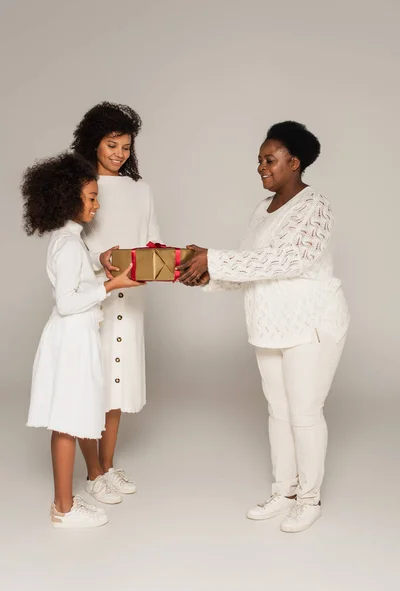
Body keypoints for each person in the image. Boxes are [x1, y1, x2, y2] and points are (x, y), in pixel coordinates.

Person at [179, 121, 350, 533]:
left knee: (305, 413)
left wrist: (214, 259)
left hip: (310, 322)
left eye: (269, 159)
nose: (260, 167)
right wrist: (207, 276)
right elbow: (250, 266)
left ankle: (309, 499)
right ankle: (284, 490)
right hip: (269, 324)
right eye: (258, 160)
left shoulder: (315, 205)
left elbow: (289, 259)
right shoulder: (262, 210)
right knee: (278, 410)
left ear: (295, 162)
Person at [23, 152, 143, 528]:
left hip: (76, 338)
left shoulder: (70, 241)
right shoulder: (69, 246)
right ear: (68, 199)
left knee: (71, 419)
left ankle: (68, 500)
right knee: (66, 422)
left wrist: (99, 259)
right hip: (72, 339)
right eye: (91, 197)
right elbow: (66, 301)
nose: (97, 204)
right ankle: (64, 508)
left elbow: (76, 266)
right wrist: (111, 284)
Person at [71, 102, 162, 504]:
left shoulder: (141, 190)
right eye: (111, 144)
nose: (119, 153)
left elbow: (153, 241)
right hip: (92, 298)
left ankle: (106, 466)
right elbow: (67, 249)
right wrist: (100, 263)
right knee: (91, 383)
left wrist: (169, 263)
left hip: (131, 298)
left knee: (117, 384)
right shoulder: (81, 186)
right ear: (94, 143)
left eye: (125, 146)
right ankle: (93, 473)